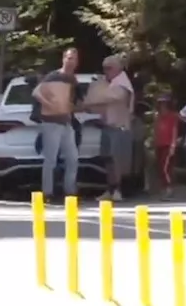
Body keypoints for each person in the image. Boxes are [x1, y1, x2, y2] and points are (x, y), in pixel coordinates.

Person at [83, 54, 134, 201]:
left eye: (109, 68)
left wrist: (94, 94)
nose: (106, 71)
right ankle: (110, 189)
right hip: (107, 125)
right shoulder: (107, 83)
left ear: (118, 68)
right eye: (104, 68)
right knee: (107, 159)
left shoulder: (122, 84)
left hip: (119, 126)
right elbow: (92, 103)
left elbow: (103, 98)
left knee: (116, 159)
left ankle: (118, 189)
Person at [33, 48, 81, 202]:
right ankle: (47, 193)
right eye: (67, 57)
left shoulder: (73, 79)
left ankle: (70, 191)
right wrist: (49, 104)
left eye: (73, 58)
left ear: (77, 61)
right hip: (51, 122)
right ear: (63, 59)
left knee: (73, 158)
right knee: (51, 159)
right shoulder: (54, 76)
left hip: (66, 122)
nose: (70, 61)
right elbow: (36, 92)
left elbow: (73, 99)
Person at [152, 93, 179, 199]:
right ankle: (164, 188)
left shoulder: (172, 116)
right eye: (160, 104)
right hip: (159, 144)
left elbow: (174, 130)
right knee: (160, 167)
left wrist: (173, 144)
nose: (162, 106)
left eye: (164, 104)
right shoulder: (157, 116)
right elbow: (156, 130)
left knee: (165, 167)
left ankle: (169, 188)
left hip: (168, 145)